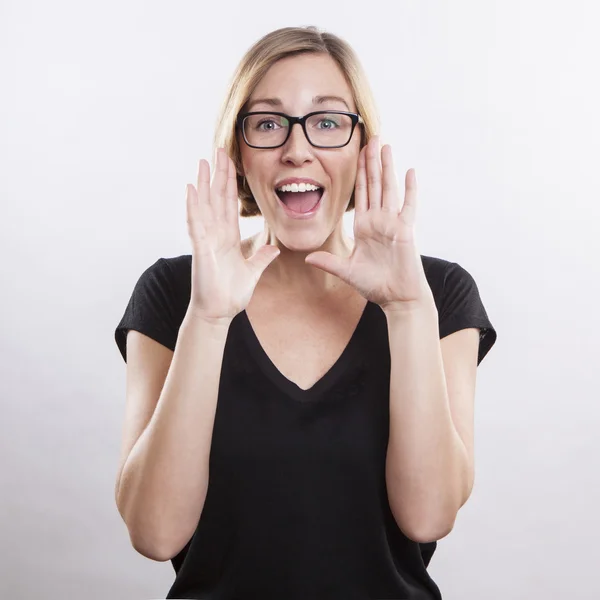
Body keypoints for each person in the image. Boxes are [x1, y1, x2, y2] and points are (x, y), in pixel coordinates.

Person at [114, 25, 497, 600]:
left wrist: (408, 309)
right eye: (267, 123)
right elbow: (155, 533)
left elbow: (429, 518)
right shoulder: (175, 292)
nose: (297, 149)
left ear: (362, 146)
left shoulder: (437, 292)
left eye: (327, 122)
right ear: (238, 153)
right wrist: (210, 318)